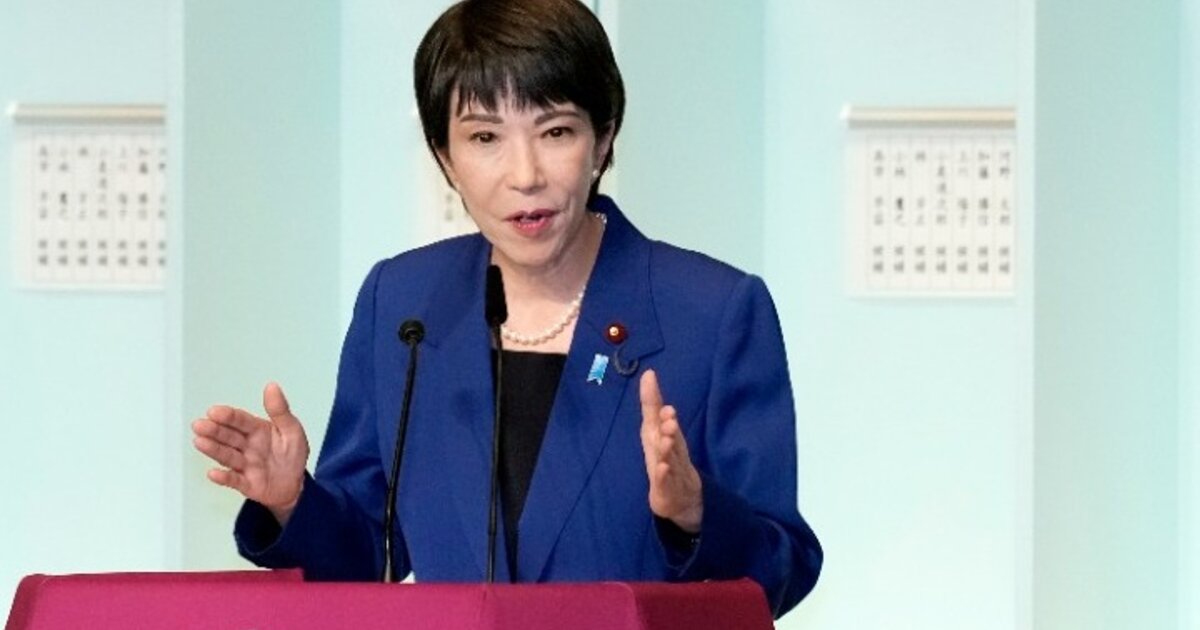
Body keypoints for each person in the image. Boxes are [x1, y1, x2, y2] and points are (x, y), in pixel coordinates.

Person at [190, 0, 821, 619]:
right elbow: (369, 554)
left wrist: (696, 514)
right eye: (485, 137)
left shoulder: (711, 312)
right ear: (445, 157)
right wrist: (292, 501)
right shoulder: (403, 305)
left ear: (603, 138)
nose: (525, 175)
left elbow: (784, 567)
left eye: (556, 132)